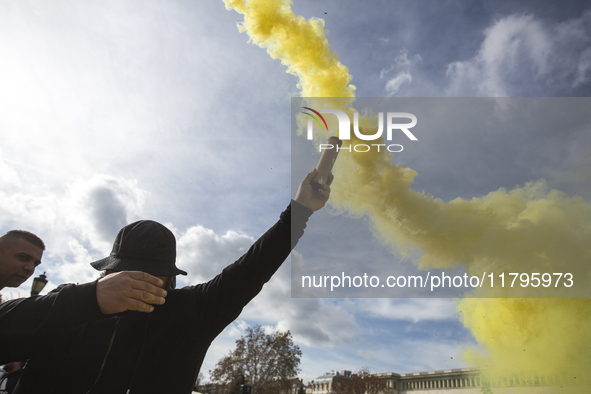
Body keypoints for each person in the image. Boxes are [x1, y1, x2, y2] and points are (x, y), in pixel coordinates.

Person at [0, 169, 332, 394]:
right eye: (127, 272)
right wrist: (89, 300)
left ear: (168, 281)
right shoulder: (69, 303)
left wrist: (300, 210)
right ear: (107, 274)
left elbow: (250, 269)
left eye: (150, 274)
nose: (136, 282)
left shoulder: (191, 312)